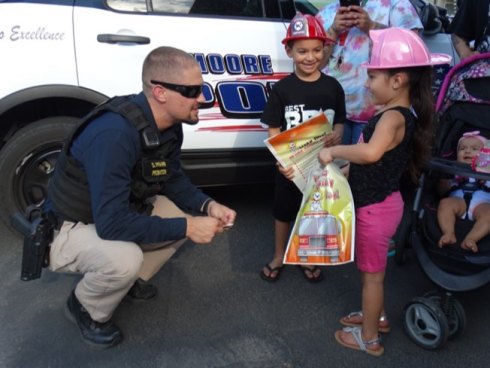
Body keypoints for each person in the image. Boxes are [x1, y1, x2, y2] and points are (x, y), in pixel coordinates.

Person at [44, 46, 236, 348]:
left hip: (108, 214)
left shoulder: (168, 126)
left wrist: (208, 205)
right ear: (160, 92)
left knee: (175, 217)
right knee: (125, 259)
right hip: (69, 227)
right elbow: (111, 224)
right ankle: (84, 307)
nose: (201, 98)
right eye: (192, 90)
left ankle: (122, 284)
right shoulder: (114, 134)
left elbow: (170, 177)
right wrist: (189, 227)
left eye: (201, 89)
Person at [318, 28, 451, 356]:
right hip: (381, 205)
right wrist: (346, 171)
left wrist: (335, 153)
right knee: (369, 274)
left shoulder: (392, 117)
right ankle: (373, 316)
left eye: (372, 76)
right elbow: (373, 159)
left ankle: (370, 338)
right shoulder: (397, 115)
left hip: (375, 211)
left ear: (397, 80)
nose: (367, 83)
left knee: (372, 277)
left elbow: (371, 154)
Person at [259, 12, 346, 283]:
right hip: (290, 166)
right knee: (283, 212)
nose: (310, 57)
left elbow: (340, 122)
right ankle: (279, 255)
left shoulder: (333, 87)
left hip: (320, 166)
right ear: (289, 50)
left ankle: (307, 258)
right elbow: (273, 127)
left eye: (317, 50)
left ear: (326, 49)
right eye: (302, 51)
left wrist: (337, 136)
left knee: (314, 213)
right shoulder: (282, 89)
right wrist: (280, 160)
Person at [316, 0, 423, 145]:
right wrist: (333, 31)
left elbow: (413, 48)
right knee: (333, 165)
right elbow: (315, 63)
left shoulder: (397, 4)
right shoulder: (325, 13)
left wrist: (371, 26)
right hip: (333, 114)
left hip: (379, 114)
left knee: (365, 165)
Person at [437, 131, 490, 253]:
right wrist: (444, 184)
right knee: (445, 204)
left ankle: (471, 238)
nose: (467, 151)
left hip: (482, 204)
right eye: (462, 149)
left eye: (474, 149)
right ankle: (448, 233)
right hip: (458, 202)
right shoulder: (453, 169)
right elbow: (440, 191)